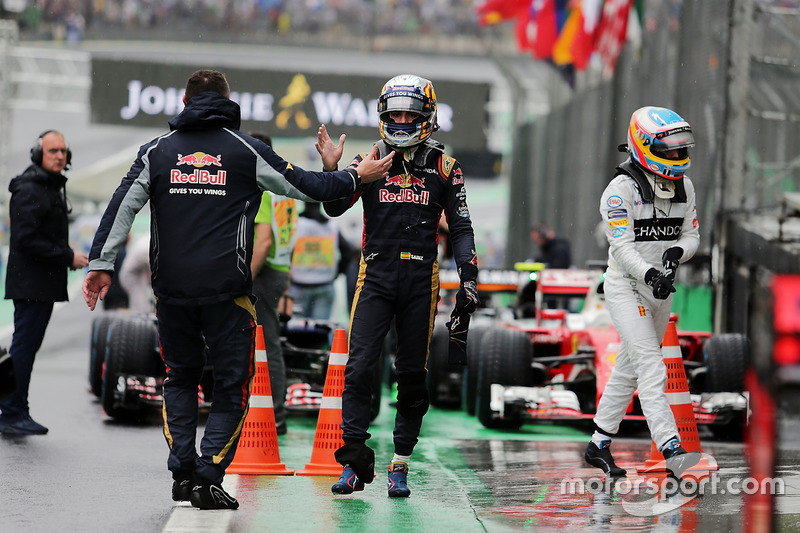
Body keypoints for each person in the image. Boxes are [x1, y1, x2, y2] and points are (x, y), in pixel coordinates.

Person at [82, 69, 393, 510]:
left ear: (185, 102)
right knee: (233, 385)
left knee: (180, 377)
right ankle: (208, 474)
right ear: (229, 100)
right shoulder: (247, 150)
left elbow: (121, 207)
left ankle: (183, 469)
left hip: (171, 292)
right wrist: (354, 174)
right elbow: (309, 188)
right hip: (228, 293)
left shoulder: (157, 151)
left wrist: (100, 265)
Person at [317, 74, 479, 498]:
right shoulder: (370, 157)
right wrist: (333, 169)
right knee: (358, 367)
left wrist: (470, 278)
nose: (403, 120)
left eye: (411, 113)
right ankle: (353, 462)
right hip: (376, 277)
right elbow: (334, 207)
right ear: (384, 116)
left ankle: (400, 465)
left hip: (421, 281)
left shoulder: (447, 167)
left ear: (427, 116)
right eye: (396, 114)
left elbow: (461, 228)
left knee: (410, 376)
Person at [586, 106, 701, 479]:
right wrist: (651, 273)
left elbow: (692, 236)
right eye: (667, 149)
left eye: (680, 148)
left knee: (629, 368)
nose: (676, 156)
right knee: (652, 366)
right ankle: (672, 448)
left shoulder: (686, 186)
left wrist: (676, 253)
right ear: (644, 146)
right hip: (626, 287)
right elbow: (622, 250)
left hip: (661, 289)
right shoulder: (619, 192)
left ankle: (599, 442)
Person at [0, 130, 89, 435]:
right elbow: (26, 241)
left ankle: (16, 409)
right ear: (38, 154)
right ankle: (11, 411)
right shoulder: (30, 189)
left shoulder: (47, 186)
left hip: (40, 284)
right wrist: (68, 257)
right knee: (24, 347)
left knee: (26, 346)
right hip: (32, 284)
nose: (60, 156)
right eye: (53, 151)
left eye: (63, 151)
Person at [249, 131, 297, 436]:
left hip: (263, 271)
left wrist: (242, 280)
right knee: (268, 343)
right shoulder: (284, 187)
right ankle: (273, 411)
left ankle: (274, 413)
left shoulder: (264, 188)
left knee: (264, 346)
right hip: (279, 270)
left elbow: (263, 242)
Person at [288, 201, 351, 320]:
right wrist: (336, 273)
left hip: (298, 284)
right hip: (325, 284)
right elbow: (347, 252)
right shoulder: (332, 226)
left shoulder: (296, 224)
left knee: (296, 331)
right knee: (321, 330)